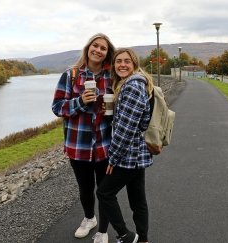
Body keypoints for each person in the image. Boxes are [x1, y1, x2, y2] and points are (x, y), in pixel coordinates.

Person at [52, 33, 115, 243]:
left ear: (107, 53)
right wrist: (80, 101)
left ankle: (103, 231)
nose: (98, 50)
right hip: (78, 146)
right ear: (88, 48)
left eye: (103, 48)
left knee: (105, 191)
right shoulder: (70, 75)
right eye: (95, 46)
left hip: (105, 145)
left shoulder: (112, 77)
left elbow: (118, 109)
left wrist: (111, 109)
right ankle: (89, 218)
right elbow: (57, 107)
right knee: (85, 188)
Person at [97, 48, 153, 243]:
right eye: (118, 61)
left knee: (104, 193)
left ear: (134, 64)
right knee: (138, 200)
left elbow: (126, 128)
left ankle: (125, 236)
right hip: (138, 154)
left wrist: (113, 157)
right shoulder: (133, 83)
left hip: (128, 155)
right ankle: (143, 239)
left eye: (126, 61)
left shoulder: (132, 86)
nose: (122, 64)